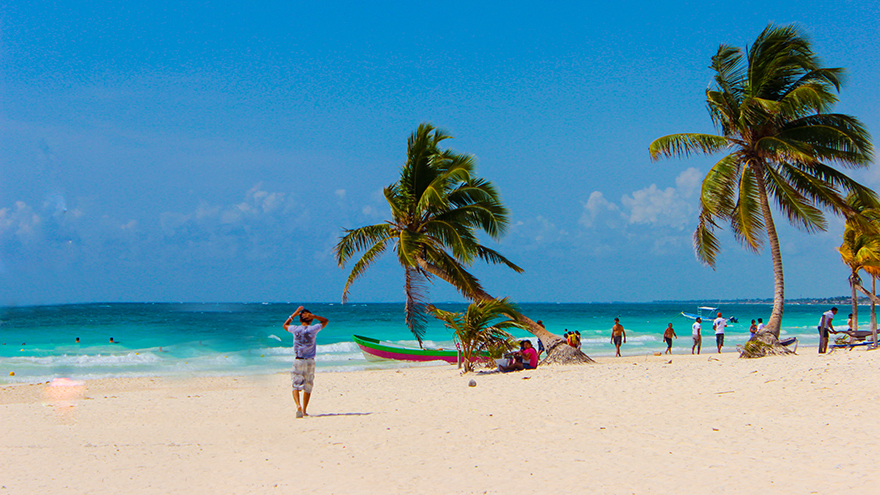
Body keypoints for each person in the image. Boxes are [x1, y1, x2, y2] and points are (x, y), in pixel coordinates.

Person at [283, 306, 329, 418]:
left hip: (298, 360)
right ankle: (304, 410)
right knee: (308, 386)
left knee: (295, 385)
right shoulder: (313, 329)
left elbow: (285, 325)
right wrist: (313, 316)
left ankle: (298, 405)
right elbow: (325, 321)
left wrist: (294, 313)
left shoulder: (295, 329)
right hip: (310, 361)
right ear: (311, 320)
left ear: (300, 319)